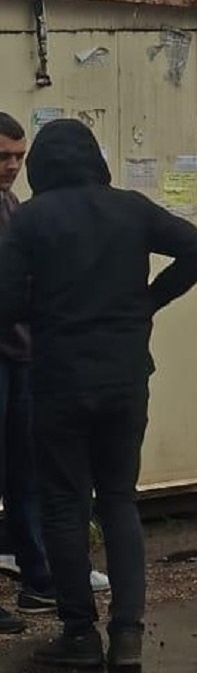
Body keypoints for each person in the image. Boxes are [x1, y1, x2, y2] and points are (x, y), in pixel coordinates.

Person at [0, 118, 197, 668]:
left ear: (44, 166)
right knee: (120, 501)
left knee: (65, 506)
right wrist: (146, 301)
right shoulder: (132, 208)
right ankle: (127, 636)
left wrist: (44, 310)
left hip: (59, 381)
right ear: (95, 159)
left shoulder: (31, 220)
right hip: (125, 378)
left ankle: (78, 635)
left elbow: (5, 302)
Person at [0, 112, 54, 636]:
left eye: (19, 156)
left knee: (25, 473)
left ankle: (38, 577)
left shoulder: (12, 204)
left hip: (20, 355)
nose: (12, 166)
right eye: (3, 157)